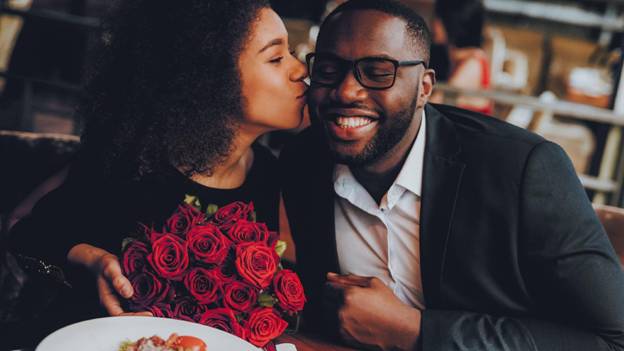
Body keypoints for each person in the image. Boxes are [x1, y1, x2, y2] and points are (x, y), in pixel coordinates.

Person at [279, 0, 624, 350]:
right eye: (327, 68)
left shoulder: (523, 171)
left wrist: (414, 331)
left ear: (425, 88)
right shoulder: (303, 160)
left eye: (378, 71)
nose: (346, 90)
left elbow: (613, 338)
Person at [6, 0, 306, 342]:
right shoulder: (138, 161)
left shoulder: (268, 174)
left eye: (293, 53)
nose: (300, 70)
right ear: (209, 78)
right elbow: (27, 233)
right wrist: (90, 259)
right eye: (276, 58)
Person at [429, 0, 493, 115]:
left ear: (451, 22)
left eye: (438, 17)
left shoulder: (473, 63)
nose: (433, 23)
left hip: (468, 131)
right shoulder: (450, 57)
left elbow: (435, 103)